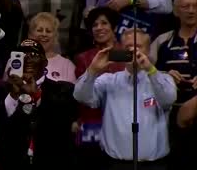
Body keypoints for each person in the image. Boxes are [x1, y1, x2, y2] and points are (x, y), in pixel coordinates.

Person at [74, 28, 176, 170]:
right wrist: (92, 70)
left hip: (154, 165)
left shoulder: (163, 79)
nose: (133, 50)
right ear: (121, 50)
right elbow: (80, 96)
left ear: (147, 51)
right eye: (128, 47)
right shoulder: (108, 81)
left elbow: (168, 99)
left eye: (138, 46)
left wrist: (150, 69)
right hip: (115, 164)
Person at [0, 39, 77, 169]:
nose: (27, 58)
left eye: (33, 55)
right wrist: (13, 95)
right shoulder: (0, 90)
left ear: (45, 62)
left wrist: (37, 96)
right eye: (21, 55)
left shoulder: (64, 89)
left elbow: (63, 119)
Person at [150, 0, 197, 170]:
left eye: (195, 6)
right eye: (186, 6)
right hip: (170, 120)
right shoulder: (162, 41)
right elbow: (145, 75)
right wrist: (163, 75)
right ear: (176, 10)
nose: (191, 10)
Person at [74, 7, 125, 170]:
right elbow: (81, 94)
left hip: (121, 123)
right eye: (95, 25)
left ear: (114, 27)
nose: (99, 28)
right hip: (92, 124)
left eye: (104, 23)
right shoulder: (83, 58)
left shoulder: (127, 54)